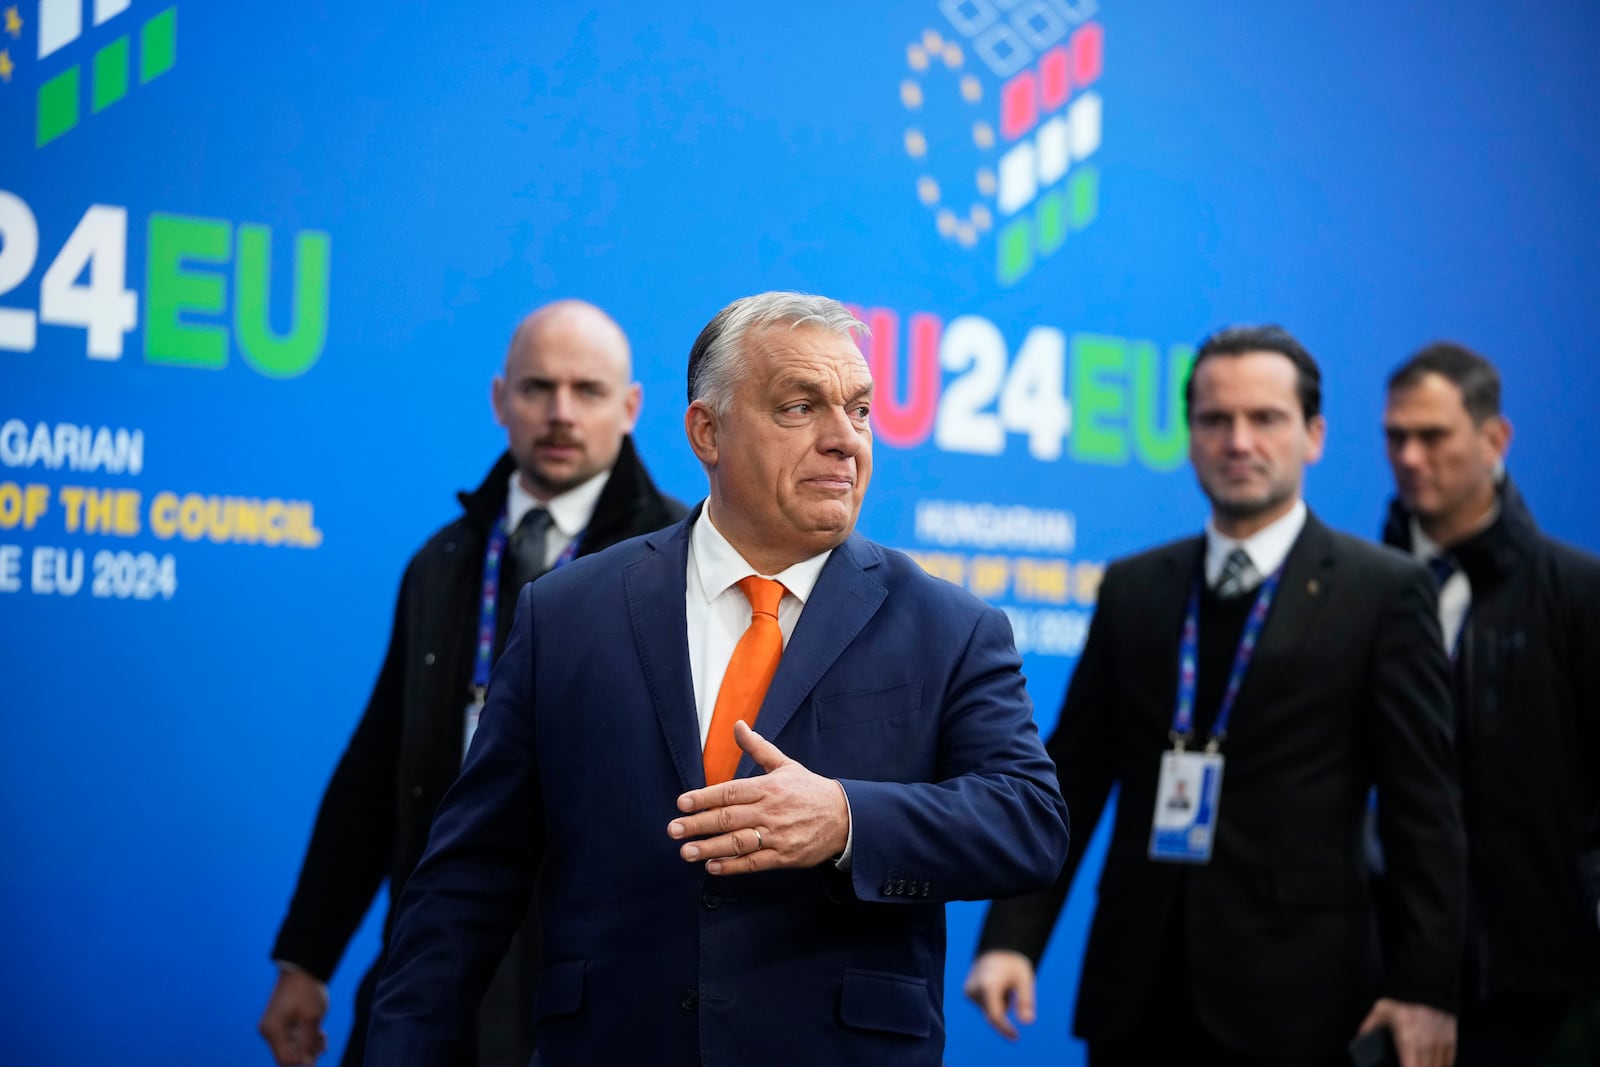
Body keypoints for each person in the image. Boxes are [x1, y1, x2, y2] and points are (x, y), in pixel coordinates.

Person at [361, 291, 1070, 1067]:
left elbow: (1029, 821)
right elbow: (468, 878)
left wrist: (845, 819)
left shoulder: (950, 625)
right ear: (707, 431)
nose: (845, 441)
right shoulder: (569, 614)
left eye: (860, 410)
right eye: (801, 406)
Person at [965, 325, 1466, 1067]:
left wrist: (1426, 984)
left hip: (1301, 1003)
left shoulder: (1384, 593)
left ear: (1314, 435)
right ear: (1190, 436)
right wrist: (1013, 935)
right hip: (1137, 993)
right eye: (1215, 419)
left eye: (1265, 418)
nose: (1238, 440)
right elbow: (1068, 777)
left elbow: (1423, 804)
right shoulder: (1137, 587)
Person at [258, 300, 688, 1067]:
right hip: (436, 959)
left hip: (602, 981)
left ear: (629, 408)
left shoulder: (680, 567)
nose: (560, 413)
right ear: (499, 400)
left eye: (587, 391)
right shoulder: (445, 560)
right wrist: (308, 957)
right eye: (536, 388)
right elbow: (375, 770)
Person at [1380, 341, 1600, 1066]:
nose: (1410, 456)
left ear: (1495, 438)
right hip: (1372, 977)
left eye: (1433, 435)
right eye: (1395, 436)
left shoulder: (1577, 592)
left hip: (1538, 987)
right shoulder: (1353, 590)